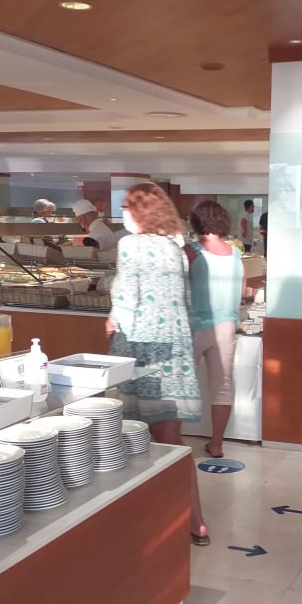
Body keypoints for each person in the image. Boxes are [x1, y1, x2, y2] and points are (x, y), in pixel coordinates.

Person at [105, 182, 208, 545]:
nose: (123, 214)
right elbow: (187, 302)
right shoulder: (176, 248)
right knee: (172, 439)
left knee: (136, 437)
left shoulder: (130, 245)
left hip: (143, 351)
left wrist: (112, 325)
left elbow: (125, 298)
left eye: (126, 208)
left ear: (137, 212)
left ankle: (151, 520)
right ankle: (195, 520)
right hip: (176, 352)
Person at [185, 200, 245, 460]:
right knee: (222, 386)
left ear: (196, 222)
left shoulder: (191, 251)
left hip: (194, 326)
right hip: (226, 327)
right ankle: (217, 444)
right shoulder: (235, 254)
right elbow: (243, 290)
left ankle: (172, 442)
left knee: (180, 384)